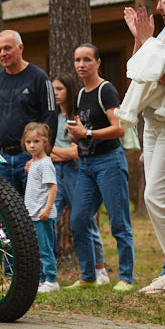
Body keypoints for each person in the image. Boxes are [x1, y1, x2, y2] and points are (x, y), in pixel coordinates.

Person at [123, 0, 165, 294]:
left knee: (155, 197)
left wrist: (148, 40)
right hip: (151, 122)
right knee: (156, 196)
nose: (164, 3)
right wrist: (141, 38)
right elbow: (137, 64)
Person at [64, 44, 135, 291]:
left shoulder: (106, 90)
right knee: (79, 219)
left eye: (86, 60)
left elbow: (120, 128)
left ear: (98, 62)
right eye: (77, 60)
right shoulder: (81, 94)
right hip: (86, 165)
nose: (81, 64)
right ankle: (89, 276)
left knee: (119, 222)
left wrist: (88, 133)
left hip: (109, 162)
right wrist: (76, 134)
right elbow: (83, 132)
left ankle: (126, 277)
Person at [0, 30, 57, 195]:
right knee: (7, 216)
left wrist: (41, 156)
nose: (3, 53)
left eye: (7, 48)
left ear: (21, 47)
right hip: (2, 160)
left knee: (35, 212)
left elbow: (50, 118)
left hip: (30, 156)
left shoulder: (39, 78)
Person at [22, 122, 60, 294]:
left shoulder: (45, 163)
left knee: (45, 248)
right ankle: (43, 279)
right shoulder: (34, 163)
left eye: (36, 141)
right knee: (38, 248)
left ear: (44, 142)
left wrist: (47, 209)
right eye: (28, 142)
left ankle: (51, 280)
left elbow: (53, 187)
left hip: (42, 214)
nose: (32, 145)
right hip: (32, 214)